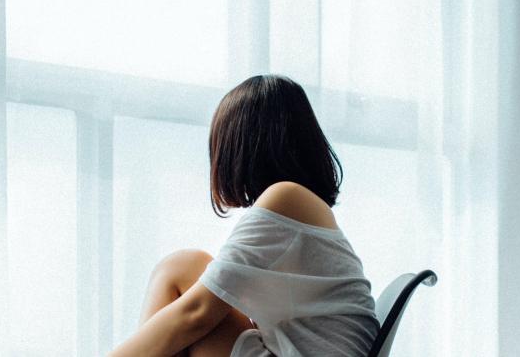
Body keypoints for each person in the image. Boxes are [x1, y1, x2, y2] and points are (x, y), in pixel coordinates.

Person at [110, 75, 378, 357]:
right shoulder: (303, 209)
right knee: (191, 268)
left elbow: (197, 313)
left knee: (181, 269)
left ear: (239, 146)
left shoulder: (286, 197)